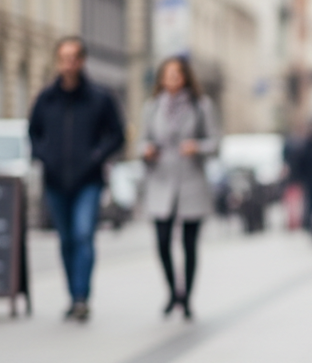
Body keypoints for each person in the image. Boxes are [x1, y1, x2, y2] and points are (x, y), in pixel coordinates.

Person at [29, 36, 124, 321]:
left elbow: (116, 136)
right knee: (66, 239)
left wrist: (95, 157)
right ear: (58, 62)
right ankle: (73, 296)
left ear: (82, 61)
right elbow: (34, 134)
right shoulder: (46, 99)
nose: (68, 63)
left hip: (88, 180)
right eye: (63, 58)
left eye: (74, 57)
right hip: (56, 181)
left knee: (83, 235)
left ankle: (82, 297)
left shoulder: (100, 97)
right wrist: (45, 157)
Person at [139, 56, 220, 319]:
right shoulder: (151, 108)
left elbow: (216, 143)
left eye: (178, 74)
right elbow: (141, 142)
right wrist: (146, 151)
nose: (173, 78)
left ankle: (187, 299)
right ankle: (173, 290)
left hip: (191, 181)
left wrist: (197, 146)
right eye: (168, 74)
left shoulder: (201, 106)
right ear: (161, 78)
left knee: (189, 244)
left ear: (186, 77)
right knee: (162, 242)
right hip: (161, 181)